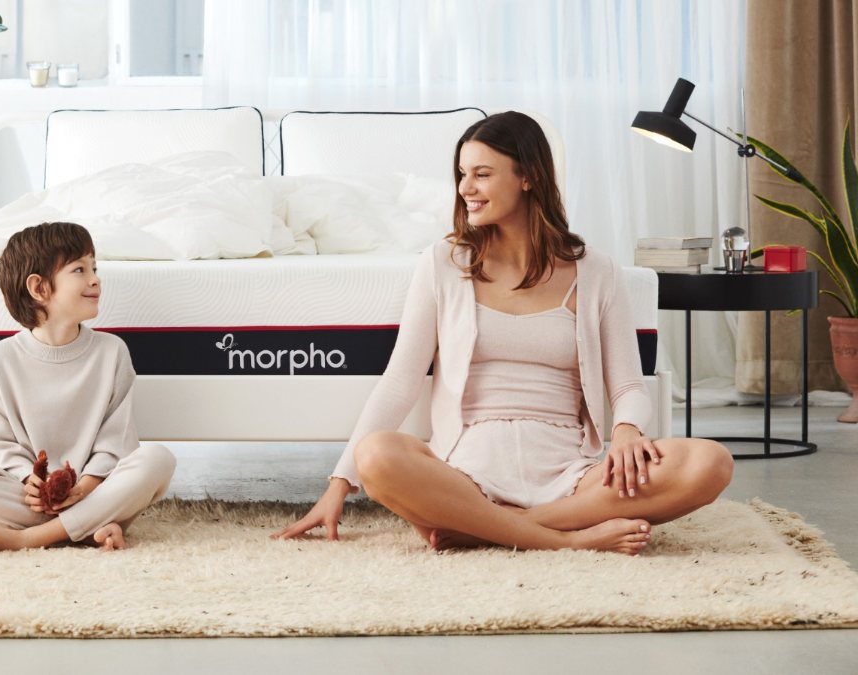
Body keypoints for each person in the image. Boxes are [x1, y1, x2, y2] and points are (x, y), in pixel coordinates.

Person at [277, 111, 733, 555]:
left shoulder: (597, 271)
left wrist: (628, 429)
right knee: (376, 455)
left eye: (482, 174)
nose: (465, 188)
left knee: (710, 463)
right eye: (462, 174)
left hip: (571, 476)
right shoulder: (443, 263)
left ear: (527, 177)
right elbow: (400, 381)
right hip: (466, 476)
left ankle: (491, 529)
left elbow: (629, 385)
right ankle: (568, 537)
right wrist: (340, 483)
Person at [0, 221, 176, 552]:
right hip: (35, 500)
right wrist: (29, 479)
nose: (95, 279)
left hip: (95, 491)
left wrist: (85, 488)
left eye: (94, 268)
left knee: (157, 460)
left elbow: (116, 441)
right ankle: (90, 529)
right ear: (39, 288)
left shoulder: (112, 352)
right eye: (80, 269)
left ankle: (29, 537)